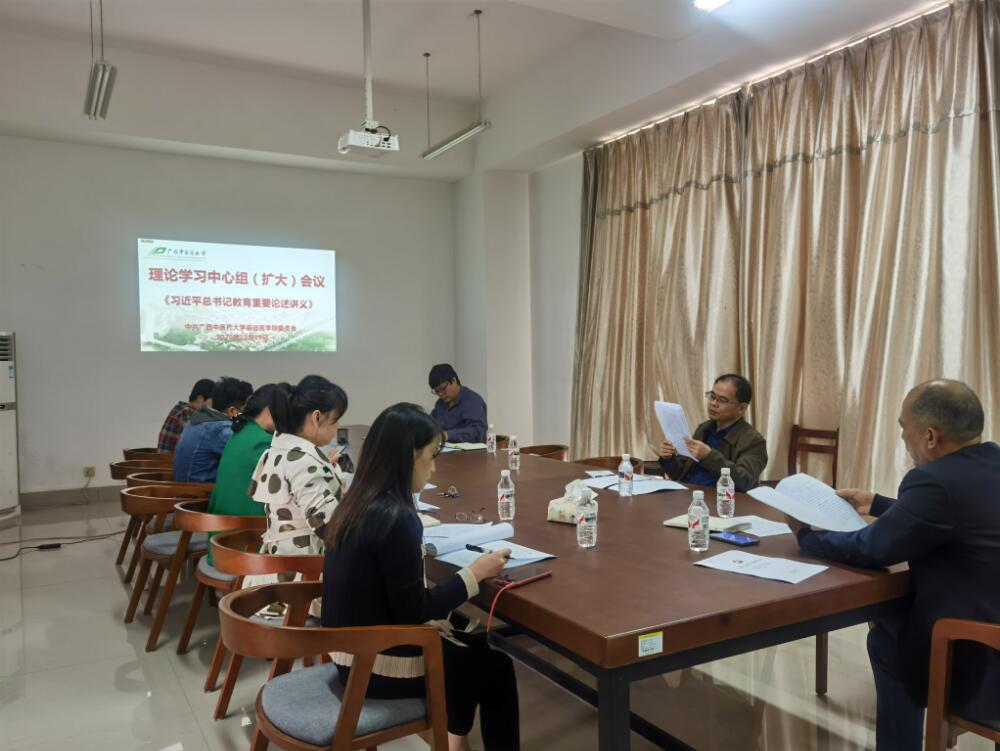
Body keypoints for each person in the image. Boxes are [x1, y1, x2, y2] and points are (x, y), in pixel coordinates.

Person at [792, 380, 1000, 750]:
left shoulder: (933, 481)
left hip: (976, 653)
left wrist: (806, 536)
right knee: (891, 616)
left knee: (887, 639)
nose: (903, 436)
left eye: (904, 427)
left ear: (930, 436)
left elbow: (873, 549)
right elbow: (956, 517)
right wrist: (877, 504)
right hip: (991, 620)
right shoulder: (991, 462)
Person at [323, 403, 519, 751]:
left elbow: (390, 599)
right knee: (495, 667)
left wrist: (425, 621)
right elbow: (414, 610)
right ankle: (452, 738)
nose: (434, 467)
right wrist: (474, 574)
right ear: (408, 456)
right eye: (431, 456)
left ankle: (451, 740)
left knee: (468, 643)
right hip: (376, 665)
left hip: (347, 651)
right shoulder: (396, 517)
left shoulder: (357, 502)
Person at [245, 375, 348, 616]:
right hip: (302, 587)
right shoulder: (304, 461)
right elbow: (330, 530)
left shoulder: (278, 449)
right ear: (316, 418)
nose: (338, 427)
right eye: (335, 420)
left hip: (277, 572)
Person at [204, 383, 277, 566]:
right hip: (243, 550)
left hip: (221, 541)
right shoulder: (263, 442)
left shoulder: (242, 432)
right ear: (269, 411)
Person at [657, 374, 768, 491]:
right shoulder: (704, 428)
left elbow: (746, 481)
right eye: (712, 396)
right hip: (686, 492)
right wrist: (669, 458)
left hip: (718, 498)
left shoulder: (754, 441)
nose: (713, 403)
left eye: (722, 400)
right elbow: (680, 474)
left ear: (742, 408)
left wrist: (709, 457)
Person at [173, 377, 253, 483]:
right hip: (200, 491)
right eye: (245, 409)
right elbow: (249, 456)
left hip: (184, 489)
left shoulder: (200, 418)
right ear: (233, 411)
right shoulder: (220, 429)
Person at [428, 364, 488, 443]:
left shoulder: (473, 401)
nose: (440, 394)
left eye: (443, 388)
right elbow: (430, 424)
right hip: (444, 448)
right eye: (437, 391)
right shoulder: (440, 404)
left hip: (469, 450)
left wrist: (447, 435)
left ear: (454, 380)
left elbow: (478, 432)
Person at [157, 378, 215, 452]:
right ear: (200, 398)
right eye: (212, 402)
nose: (213, 407)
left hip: (168, 457)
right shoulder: (187, 413)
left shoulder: (180, 408)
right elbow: (200, 442)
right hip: (171, 458)